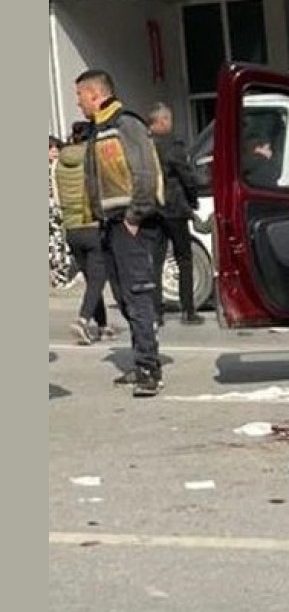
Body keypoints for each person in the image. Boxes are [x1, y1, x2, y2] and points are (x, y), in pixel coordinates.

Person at [76, 68, 166, 397]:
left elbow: (144, 171)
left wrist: (135, 215)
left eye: (81, 96)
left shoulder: (126, 123)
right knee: (124, 298)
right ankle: (141, 360)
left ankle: (148, 368)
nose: (79, 103)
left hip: (131, 224)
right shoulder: (99, 128)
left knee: (138, 296)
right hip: (109, 225)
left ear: (96, 94)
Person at [56, 121, 114, 345]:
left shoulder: (60, 163)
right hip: (91, 224)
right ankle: (82, 321)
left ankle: (102, 326)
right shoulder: (92, 159)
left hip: (71, 227)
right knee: (98, 277)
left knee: (92, 279)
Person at [147, 103, 204, 326]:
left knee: (156, 261)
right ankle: (188, 311)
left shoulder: (145, 144)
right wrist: (193, 200)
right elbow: (186, 175)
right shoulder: (172, 145)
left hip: (153, 209)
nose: (171, 124)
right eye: (168, 120)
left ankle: (156, 312)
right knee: (184, 259)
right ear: (161, 121)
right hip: (175, 209)